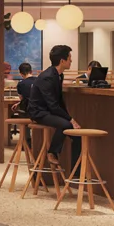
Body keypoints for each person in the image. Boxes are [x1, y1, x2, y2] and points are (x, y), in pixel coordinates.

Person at [29, 44, 82, 173]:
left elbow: (59, 102)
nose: (71, 61)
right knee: (65, 124)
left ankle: (76, 172)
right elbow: (53, 105)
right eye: (69, 58)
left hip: (48, 110)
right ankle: (52, 152)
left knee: (78, 135)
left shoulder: (58, 75)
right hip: (38, 112)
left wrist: (71, 119)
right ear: (62, 61)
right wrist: (70, 119)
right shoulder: (48, 77)